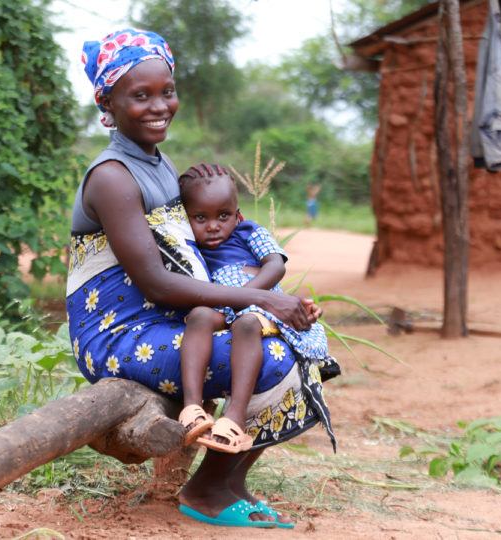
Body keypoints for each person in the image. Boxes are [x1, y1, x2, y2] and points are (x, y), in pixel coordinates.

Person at [68, 28, 338, 529]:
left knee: (304, 341)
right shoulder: (111, 176)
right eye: (140, 95)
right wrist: (263, 301)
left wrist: (261, 287)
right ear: (106, 100)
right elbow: (155, 284)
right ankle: (209, 490)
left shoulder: (157, 163)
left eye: (166, 92)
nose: (159, 106)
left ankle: (229, 483)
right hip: (120, 333)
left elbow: (209, 240)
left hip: (167, 319)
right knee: (274, 357)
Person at [176, 164, 334, 455]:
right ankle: (192, 409)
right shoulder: (190, 249)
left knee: (247, 324)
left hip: (262, 306)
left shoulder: (248, 232)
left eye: (223, 216)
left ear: (238, 215)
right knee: (198, 316)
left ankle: (234, 416)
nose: (213, 226)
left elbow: (276, 265)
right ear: (186, 220)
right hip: (222, 307)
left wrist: (249, 296)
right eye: (200, 218)